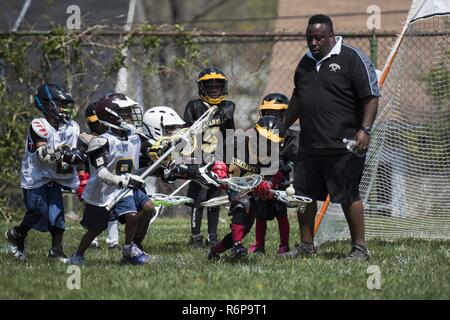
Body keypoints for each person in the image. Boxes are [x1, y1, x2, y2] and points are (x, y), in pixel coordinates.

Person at [282, 14, 380, 260]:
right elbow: (298, 96)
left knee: (348, 195)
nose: (313, 43)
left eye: (318, 38)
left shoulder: (351, 58)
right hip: (310, 144)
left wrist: (364, 130)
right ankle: (306, 246)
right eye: (309, 38)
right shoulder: (305, 63)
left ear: (331, 36)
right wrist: (282, 125)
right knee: (303, 196)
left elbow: (371, 96)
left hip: (345, 143)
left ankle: (359, 249)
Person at [68, 93, 155, 266]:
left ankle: (129, 248)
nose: (130, 116)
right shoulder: (102, 142)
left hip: (125, 189)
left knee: (137, 213)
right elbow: (101, 173)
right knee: (96, 229)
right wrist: (122, 181)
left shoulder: (135, 137)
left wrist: (166, 147)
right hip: (102, 192)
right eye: (125, 113)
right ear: (110, 117)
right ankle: (78, 255)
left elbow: (152, 150)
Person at [5, 83, 84, 262]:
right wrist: (66, 154)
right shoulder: (38, 125)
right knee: (38, 211)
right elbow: (43, 154)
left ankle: (56, 251)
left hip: (54, 176)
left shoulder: (72, 126)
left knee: (56, 213)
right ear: (48, 104)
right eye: (61, 104)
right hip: (36, 175)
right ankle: (17, 234)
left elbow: (80, 145)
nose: (65, 109)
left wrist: (81, 152)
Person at [208, 115, 287, 260]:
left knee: (243, 229)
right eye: (265, 141)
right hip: (232, 184)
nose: (268, 146)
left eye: (272, 143)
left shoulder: (272, 158)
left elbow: (272, 179)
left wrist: (268, 186)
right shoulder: (236, 143)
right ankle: (237, 246)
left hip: (251, 190)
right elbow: (215, 156)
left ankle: (214, 252)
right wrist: (219, 168)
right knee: (242, 202)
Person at [183, 66, 235, 248]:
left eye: (217, 85)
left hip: (218, 159)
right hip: (199, 159)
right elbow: (187, 135)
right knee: (198, 199)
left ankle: (212, 236)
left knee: (214, 198)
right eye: (210, 85)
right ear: (201, 87)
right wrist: (190, 161)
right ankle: (196, 236)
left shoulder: (227, 107)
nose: (214, 88)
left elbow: (230, 136)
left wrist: (229, 161)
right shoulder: (194, 107)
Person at [248, 93, 298, 255]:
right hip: (262, 182)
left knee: (281, 214)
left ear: (285, 114)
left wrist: (276, 180)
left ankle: (284, 245)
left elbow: (291, 162)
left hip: (280, 183)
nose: (270, 117)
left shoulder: (290, 136)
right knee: (260, 215)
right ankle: (259, 245)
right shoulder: (257, 135)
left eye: (274, 113)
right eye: (266, 113)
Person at [77, 101, 120, 250]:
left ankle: (113, 241)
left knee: (112, 209)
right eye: (95, 123)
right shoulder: (85, 138)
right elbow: (81, 161)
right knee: (92, 214)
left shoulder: (113, 137)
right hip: (94, 180)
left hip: (111, 178)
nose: (99, 126)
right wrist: (82, 179)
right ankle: (92, 241)